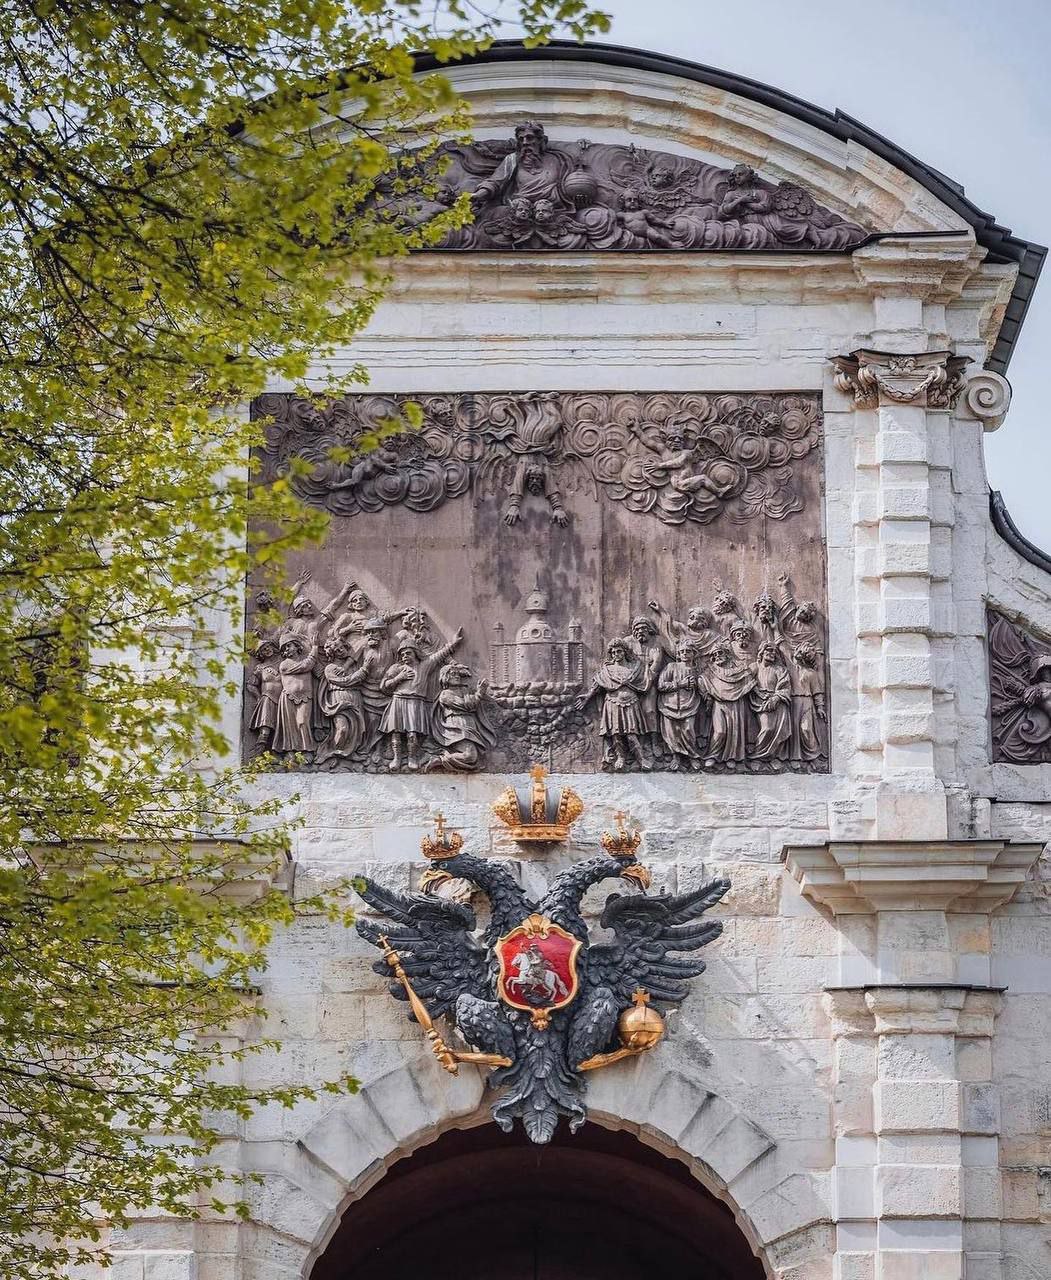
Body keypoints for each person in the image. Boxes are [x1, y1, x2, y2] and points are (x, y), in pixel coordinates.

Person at [378, 628, 464, 771]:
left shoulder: (424, 666)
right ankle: (397, 758)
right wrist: (398, 678)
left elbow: (439, 655)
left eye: (408, 653)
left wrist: (453, 643)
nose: (405, 656)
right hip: (398, 700)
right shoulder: (396, 668)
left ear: (416, 653)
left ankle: (412, 757)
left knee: (412, 734)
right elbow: (384, 687)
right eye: (402, 654)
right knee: (396, 732)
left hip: (415, 702)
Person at [575, 637, 652, 772]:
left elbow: (643, 682)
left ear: (624, 652)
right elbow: (597, 685)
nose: (617, 654)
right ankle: (620, 757)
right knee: (616, 734)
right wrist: (587, 697)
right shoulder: (608, 670)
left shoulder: (634, 668)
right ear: (611, 654)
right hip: (613, 703)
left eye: (619, 651)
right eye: (614, 652)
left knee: (631, 735)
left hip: (631, 703)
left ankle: (641, 759)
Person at [427, 662, 499, 772]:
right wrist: (479, 693)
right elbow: (465, 705)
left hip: (469, 723)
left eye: (457, 674)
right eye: (452, 674)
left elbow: (473, 703)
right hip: (457, 725)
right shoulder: (445, 694)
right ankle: (439, 760)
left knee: (472, 756)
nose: (456, 676)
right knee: (470, 756)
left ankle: (444, 760)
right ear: (445, 677)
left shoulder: (465, 691)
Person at [701, 641, 756, 770]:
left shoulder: (738, 670)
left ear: (727, 654)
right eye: (714, 654)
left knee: (735, 731)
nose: (717, 656)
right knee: (720, 731)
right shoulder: (710, 670)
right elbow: (702, 679)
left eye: (720, 653)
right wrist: (705, 693)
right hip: (718, 702)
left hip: (736, 703)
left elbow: (749, 680)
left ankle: (733, 757)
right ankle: (712, 755)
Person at [314, 636, 367, 767]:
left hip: (355, 697)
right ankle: (333, 753)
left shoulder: (353, 665)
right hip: (339, 699)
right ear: (332, 653)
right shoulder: (330, 668)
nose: (341, 651)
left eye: (342, 647)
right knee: (342, 729)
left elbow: (363, 642)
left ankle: (349, 755)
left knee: (356, 730)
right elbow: (343, 681)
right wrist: (358, 675)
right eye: (337, 650)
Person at [657, 641, 706, 769]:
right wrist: (680, 684)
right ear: (678, 654)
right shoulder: (671, 667)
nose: (685, 654)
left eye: (688, 651)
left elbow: (704, 686)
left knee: (688, 729)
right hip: (669, 704)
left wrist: (698, 685)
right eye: (682, 651)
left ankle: (691, 756)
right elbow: (661, 685)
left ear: (694, 654)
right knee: (671, 732)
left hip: (690, 704)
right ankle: (676, 756)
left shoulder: (697, 670)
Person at [271, 636, 318, 755]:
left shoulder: (304, 660)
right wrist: (315, 647)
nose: (286, 649)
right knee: (290, 727)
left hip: (305, 697)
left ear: (297, 646)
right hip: (288, 697)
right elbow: (305, 666)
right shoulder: (284, 665)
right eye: (284, 648)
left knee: (302, 722)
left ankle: (307, 750)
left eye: (288, 645)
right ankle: (290, 752)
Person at [750, 643, 792, 765]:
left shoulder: (780, 670)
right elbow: (747, 682)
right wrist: (759, 693)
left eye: (774, 652)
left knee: (780, 731)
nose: (772, 653)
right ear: (762, 653)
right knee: (768, 728)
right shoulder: (754, 667)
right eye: (769, 651)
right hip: (760, 702)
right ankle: (757, 756)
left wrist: (776, 698)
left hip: (778, 702)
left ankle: (773, 757)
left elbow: (786, 687)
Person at [247, 638, 281, 751]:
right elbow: (251, 685)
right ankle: (260, 748)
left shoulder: (282, 662)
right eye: (263, 650)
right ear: (260, 654)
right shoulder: (260, 668)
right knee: (266, 724)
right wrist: (258, 697)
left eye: (267, 646)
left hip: (283, 699)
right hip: (267, 698)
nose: (267, 650)